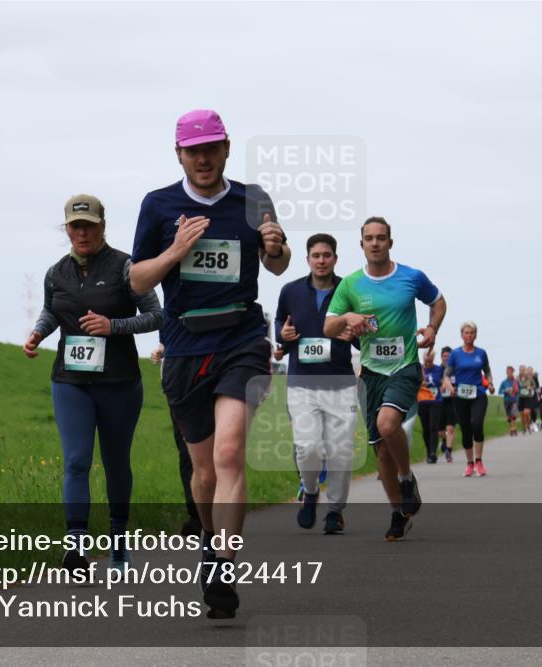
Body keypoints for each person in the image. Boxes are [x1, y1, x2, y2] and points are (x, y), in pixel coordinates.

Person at [129, 109, 290, 618]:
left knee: (230, 452)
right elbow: (136, 281)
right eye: (193, 151)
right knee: (203, 473)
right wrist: (174, 251)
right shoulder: (158, 204)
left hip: (242, 338)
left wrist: (276, 246)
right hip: (184, 345)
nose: (203, 159)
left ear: (227, 148)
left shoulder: (253, 199)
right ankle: (209, 535)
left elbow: (278, 264)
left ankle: (224, 563)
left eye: (211, 148)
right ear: (179, 154)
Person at [23, 194, 162, 573]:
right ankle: (76, 548)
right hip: (70, 381)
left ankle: (118, 542)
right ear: (67, 229)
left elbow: (156, 315)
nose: (82, 233)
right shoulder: (56, 273)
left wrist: (113, 326)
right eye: (75, 226)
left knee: (116, 463)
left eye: (88, 226)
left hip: (119, 382)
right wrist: (38, 333)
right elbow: (52, 311)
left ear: (102, 226)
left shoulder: (126, 267)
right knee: (76, 461)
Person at [324, 217, 446, 542]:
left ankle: (406, 479)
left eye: (381, 237)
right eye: (369, 238)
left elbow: (438, 301)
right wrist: (347, 318)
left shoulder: (411, 277)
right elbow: (328, 327)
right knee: (381, 452)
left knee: (387, 424)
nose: (375, 243)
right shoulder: (351, 284)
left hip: (404, 367)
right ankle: (398, 512)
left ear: (390, 242)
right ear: (361, 244)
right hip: (371, 374)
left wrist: (432, 328)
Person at [275, 233, 358, 534]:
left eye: (327, 255)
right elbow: (280, 325)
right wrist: (282, 336)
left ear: (335, 258)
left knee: (340, 452)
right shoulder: (291, 291)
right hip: (302, 383)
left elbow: (364, 333)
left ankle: (335, 511)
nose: (321, 260)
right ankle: (310, 492)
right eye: (316, 255)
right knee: (307, 447)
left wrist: (355, 334)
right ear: (307, 259)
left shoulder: (350, 291)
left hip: (341, 384)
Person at [151, 343, 202, 537]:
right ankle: (196, 516)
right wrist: (163, 347)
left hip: (211, 376)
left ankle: (218, 509)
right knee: (187, 452)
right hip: (179, 383)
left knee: (216, 451)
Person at [442, 322, 495, 477]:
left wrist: (490, 383)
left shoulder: (481, 353)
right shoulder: (455, 354)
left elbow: (487, 371)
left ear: (475, 335)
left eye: (472, 333)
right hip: (460, 396)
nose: (469, 335)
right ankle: (470, 464)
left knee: (476, 425)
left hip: (479, 394)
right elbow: (446, 375)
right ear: (462, 335)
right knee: (466, 430)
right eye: (466, 332)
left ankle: (479, 461)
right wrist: (450, 387)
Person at [417, 348, 445, 462]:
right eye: (426, 360)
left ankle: (433, 452)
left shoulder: (439, 369)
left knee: (434, 427)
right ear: (423, 359)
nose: (428, 362)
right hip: (422, 401)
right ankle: (429, 452)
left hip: (435, 401)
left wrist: (444, 387)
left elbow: (444, 381)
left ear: (433, 359)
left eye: (430, 360)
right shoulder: (419, 369)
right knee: (425, 428)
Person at [497, 366, 519, 437]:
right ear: (506, 373)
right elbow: (499, 392)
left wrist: (515, 391)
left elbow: (519, 390)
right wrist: (505, 390)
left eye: (511, 372)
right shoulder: (504, 382)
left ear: (513, 372)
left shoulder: (515, 381)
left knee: (513, 414)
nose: (509, 373)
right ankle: (511, 428)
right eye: (508, 372)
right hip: (507, 400)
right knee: (509, 415)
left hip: (514, 400)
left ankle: (514, 428)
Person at [518, 366, 539, 435]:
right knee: (522, 415)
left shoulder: (529, 378)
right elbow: (515, 385)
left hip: (528, 397)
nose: (522, 371)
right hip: (521, 397)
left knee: (526, 413)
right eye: (521, 370)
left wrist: (531, 387)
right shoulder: (517, 378)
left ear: (525, 371)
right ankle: (524, 428)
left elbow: (535, 385)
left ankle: (529, 425)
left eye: (523, 370)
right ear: (519, 370)